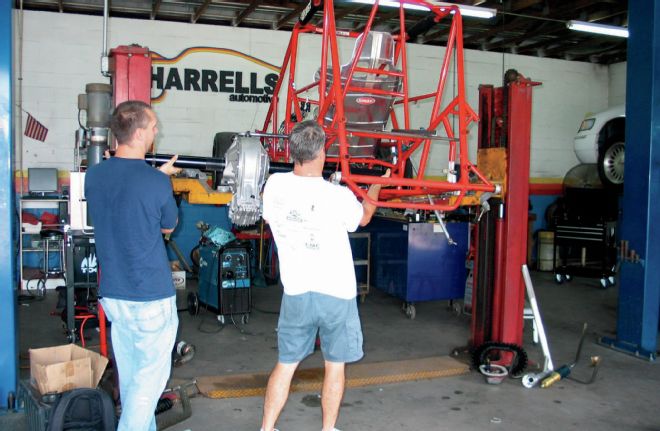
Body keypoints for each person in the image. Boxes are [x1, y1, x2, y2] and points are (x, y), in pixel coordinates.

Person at [260, 120, 388, 431]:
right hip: (337, 293)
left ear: (293, 152)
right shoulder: (338, 196)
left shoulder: (274, 187)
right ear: (322, 153)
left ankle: (266, 428)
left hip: (297, 293)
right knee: (335, 366)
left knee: (286, 364)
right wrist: (380, 182)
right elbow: (365, 216)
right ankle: (327, 429)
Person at [85, 100, 181, 431]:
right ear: (139, 133)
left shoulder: (94, 177)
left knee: (133, 382)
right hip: (150, 295)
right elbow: (168, 226)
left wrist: (155, 177)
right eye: (154, 127)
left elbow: (123, 199)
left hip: (114, 295)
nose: (157, 131)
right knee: (147, 388)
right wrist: (160, 179)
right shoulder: (156, 182)